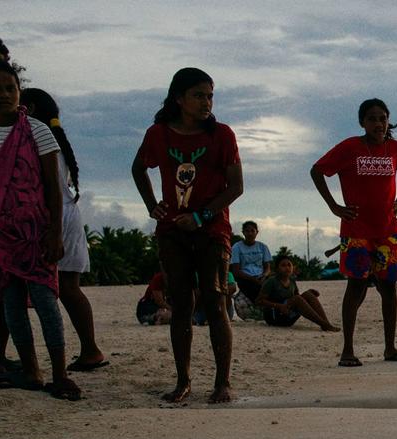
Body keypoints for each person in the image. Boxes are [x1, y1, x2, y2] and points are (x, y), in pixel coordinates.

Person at [133, 67, 243, 403]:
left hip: (212, 229)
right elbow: (139, 168)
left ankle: (222, 382)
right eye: (199, 95)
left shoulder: (222, 134)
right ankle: (183, 381)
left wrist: (201, 215)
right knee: (181, 302)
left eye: (210, 95)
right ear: (179, 98)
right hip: (171, 231)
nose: (206, 102)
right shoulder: (159, 134)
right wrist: (154, 205)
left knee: (215, 298)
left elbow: (236, 187)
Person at [310, 98, 397, 367]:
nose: (378, 123)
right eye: (371, 119)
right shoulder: (350, 147)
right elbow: (317, 170)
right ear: (362, 123)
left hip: (387, 231)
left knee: (389, 288)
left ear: (388, 120)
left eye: (382, 118)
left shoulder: (396, 149)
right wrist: (334, 206)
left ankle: (390, 348)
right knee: (356, 287)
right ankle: (347, 350)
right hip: (356, 230)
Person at [0, 60, 79, 400]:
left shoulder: (37, 131)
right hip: (1, 238)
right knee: (11, 304)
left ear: (19, 93)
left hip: (36, 233)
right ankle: (31, 370)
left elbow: (52, 187)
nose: (3, 94)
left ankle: (59, 373)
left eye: (9, 88)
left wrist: (54, 233)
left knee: (46, 301)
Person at [20, 88, 107, 371]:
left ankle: (89, 350)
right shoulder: (55, 138)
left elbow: (48, 187)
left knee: (37, 290)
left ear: (29, 108)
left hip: (55, 219)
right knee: (70, 288)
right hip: (67, 216)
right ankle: (90, 349)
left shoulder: (37, 137)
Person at [256, 255, 339, 331]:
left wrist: (309, 294)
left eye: (289, 265)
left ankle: (325, 324)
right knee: (298, 298)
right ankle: (324, 324)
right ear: (277, 269)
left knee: (308, 294)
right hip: (274, 317)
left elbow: (298, 300)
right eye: (283, 265)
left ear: (293, 268)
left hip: (288, 316)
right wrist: (279, 306)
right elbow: (259, 301)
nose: (287, 268)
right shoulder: (272, 281)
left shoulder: (292, 281)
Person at [229, 220, 270, 303]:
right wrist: (252, 279)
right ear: (243, 233)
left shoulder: (263, 247)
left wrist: (264, 275)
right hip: (245, 278)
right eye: (247, 231)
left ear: (257, 232)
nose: (250, 233)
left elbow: (268, 268)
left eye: (252, 231)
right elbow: (236, 271)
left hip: (261, 277)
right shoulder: (237, 247)